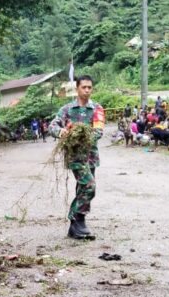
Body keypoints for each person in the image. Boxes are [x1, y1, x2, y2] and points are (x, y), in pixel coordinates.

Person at [50, 75, 105, 240]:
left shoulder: (97, 108)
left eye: (90, 87)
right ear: (77, 88)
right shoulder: (67, 109)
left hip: (91, 156)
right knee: (89, 186)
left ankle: (76, 227)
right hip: (75, 156)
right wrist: (61, 132)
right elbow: (53, 125)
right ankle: (76, 217)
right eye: (84, 87)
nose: (87, 90)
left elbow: (98, 131)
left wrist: (80, 135)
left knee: (82, 188)